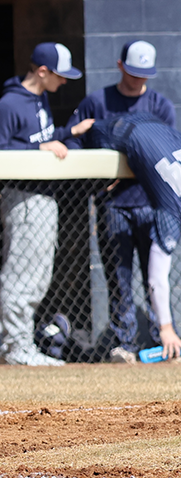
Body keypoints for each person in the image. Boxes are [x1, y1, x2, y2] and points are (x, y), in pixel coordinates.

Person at [66, 40, 176, 363]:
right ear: (119, 66)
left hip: (152, 204)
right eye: (132, 73)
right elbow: (78, 144)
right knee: (119, 275)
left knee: (154, 273)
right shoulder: (96, 102)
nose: (138, 80)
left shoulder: (159, 105)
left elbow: (164, 156)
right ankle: (124, 344)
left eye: (144, 75)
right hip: (114, 203)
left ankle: (162, 342)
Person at [0, 42, 95, 366]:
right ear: (42, 71)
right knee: (22, 275)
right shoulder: (9, 104)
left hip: (44, 197)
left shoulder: (39, 98)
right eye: (60, 76)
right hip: (24, 197)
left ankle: (20, 345)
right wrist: (41, 150)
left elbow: (37, 138)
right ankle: (17, 348)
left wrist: (68, 132)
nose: (64, 83)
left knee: (37, 276)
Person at [80, 113, 181, 359]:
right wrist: (166, 328)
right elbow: (156, 279)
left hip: (153, 125)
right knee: (87, 134)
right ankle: (153, 338)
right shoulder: (172, 210)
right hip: (119, 131)